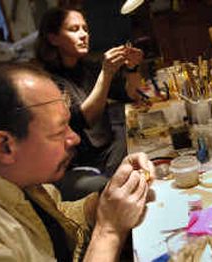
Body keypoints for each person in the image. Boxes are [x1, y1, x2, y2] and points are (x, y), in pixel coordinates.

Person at [0, 62, 154, 261]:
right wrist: (109, 230)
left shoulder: (19, 180)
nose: (74, 138)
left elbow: (58, 220)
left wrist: (108, 198)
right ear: (3, 146)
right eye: (59, 132)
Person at [35, 7, 144, 196]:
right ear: (53, 38)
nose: (83, 35)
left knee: (150, 155)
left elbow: (132, 95)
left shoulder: (87, 67)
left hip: (109, 148)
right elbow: (86, 119)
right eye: (74, 29)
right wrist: (107, 72)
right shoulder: (48, 80)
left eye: (85, 28)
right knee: (127, 183)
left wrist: (133, 68)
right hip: (83, 164)